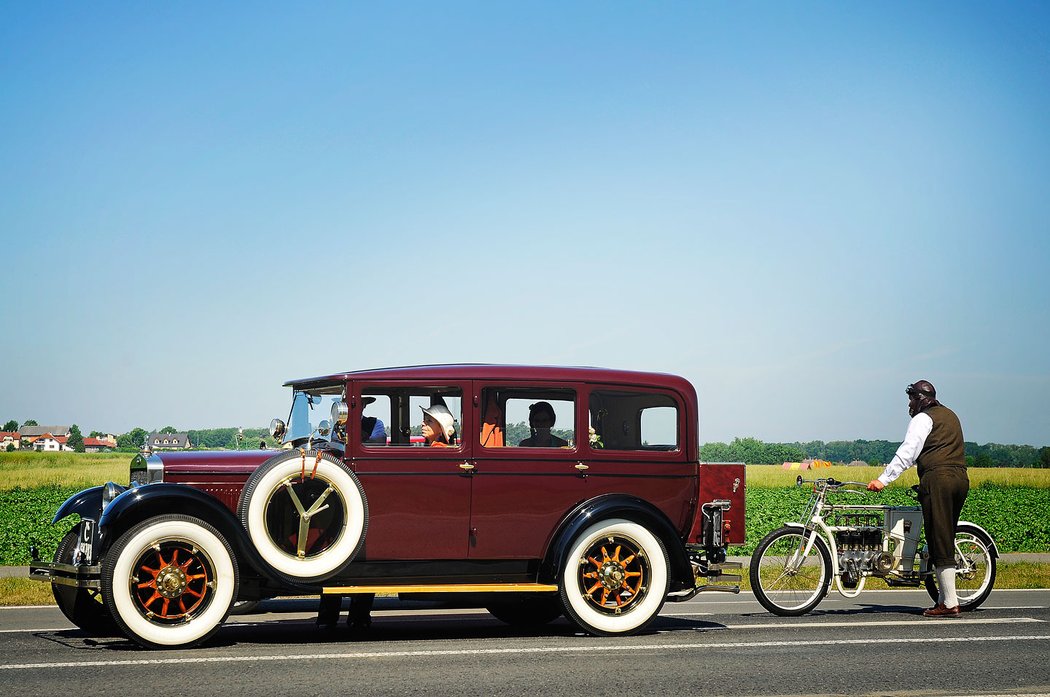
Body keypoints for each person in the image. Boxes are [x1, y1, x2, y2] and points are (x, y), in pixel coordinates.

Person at [867, 380, 969, 617]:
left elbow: (908, 450)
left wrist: (884, 479)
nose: (909, 405)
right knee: (945, 533)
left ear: (921, 398)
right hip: (960, 478)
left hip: (938, 479)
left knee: (938, 537)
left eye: (911, 399)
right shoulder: (951, 415)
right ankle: (944, 597)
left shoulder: (923, 418)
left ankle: (950, 604)